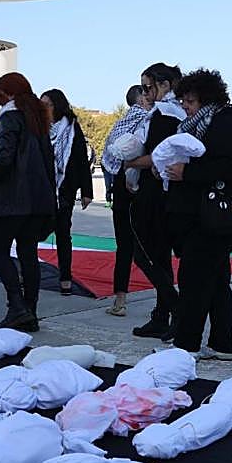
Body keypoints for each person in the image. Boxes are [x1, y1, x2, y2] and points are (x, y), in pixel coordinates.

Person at [164, 69, 232, 361]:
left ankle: (186, 345)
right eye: (183, 100)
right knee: (216, 280)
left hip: (211, 217)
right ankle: (222, 343)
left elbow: (230, 167)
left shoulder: (223, 120)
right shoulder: (198, 123)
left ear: (206, 97)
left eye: (189, 100)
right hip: (203, 215)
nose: (185, 106)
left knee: (194, 281)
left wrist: (188, 172)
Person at [0, 72, 56, 332]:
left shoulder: (10, 116)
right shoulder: (38, 118)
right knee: (28, 254)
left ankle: (17, 306)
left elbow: (5, 158)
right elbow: (48, 162)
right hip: (37, 199)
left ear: (6, 94)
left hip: (12, 199)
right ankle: (29, 310)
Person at [124, 63, 185, 339]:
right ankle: (162, 314)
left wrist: (131, 160)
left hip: (155, 190)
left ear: (164, 85)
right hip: (165, 190)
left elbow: (160, 154)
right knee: (158, 254)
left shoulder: (164, 114)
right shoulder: (175, 112)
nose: (145, 94)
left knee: (145, 252)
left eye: (148, 87)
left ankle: (174, 307)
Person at [100, 84, 151, 317]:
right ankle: (165, 298)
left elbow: (110, 152)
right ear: (141, 98)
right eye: (146, 90)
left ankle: (120, 299)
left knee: (125, 245)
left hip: (122, 184)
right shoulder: (148, 118)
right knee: (147, 246)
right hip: (140, 186)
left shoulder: (121, 123)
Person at [41, 88, 94, 296]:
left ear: (57, 106)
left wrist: (87, 191)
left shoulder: (71, 129)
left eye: (47, 104)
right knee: (35, 230)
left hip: (65, 188)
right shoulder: (38, 127)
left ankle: (65, 278)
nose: (43, 108)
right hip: (42, 187)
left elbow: (82, 160)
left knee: (63, 233)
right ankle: (27, 269)